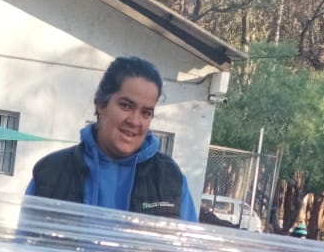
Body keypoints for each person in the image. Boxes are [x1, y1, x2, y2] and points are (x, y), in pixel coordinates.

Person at [25, 55, 198, 220]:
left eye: (146, 113)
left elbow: (187, 248)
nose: (134, 121)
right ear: (100, 103)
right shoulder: (51, 173)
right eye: (126, 106)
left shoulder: (170, 181)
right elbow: (25, 246)